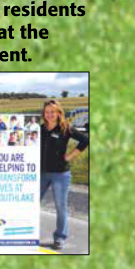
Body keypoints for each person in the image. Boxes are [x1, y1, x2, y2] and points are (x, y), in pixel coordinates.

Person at [40, 98, 89, 252]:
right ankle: (27, 232)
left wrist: (69, 156)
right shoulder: (40, 129)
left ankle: (60, 238)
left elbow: (85, 140)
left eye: (52, 112)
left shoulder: (65, 128)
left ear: (59, 112)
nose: (50, 115)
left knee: (61, 207)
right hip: (42, 173)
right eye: (47, 112)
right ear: (44, 114)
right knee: (31, 202)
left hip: (60, 174)